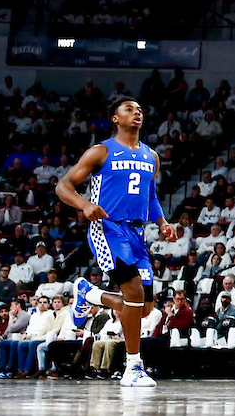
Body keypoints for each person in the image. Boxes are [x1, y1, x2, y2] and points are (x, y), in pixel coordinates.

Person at [56, 98, 177, 388]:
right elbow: (63, 186)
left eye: (140, 110)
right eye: (129, 109)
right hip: (107, 228)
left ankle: (89, 294)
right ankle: (133, 367)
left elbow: (151, 198)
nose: (137, 112)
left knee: (144, 307)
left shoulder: (152, 156)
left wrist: (162, 223)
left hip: (137, 233)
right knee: (134, 292)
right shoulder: (100, 151)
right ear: (114, 118)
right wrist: (84, 205)